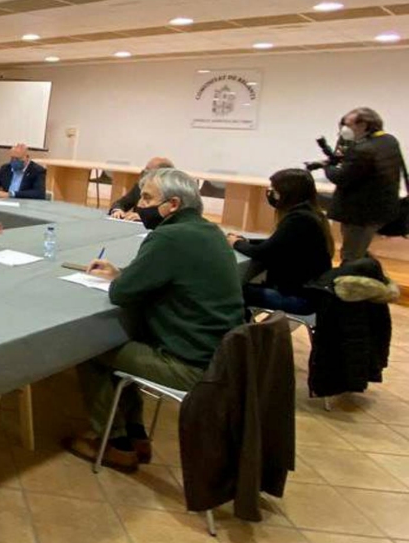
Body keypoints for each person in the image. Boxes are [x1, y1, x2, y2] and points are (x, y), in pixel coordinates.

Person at [67, 169, 245, 472]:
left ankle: (114, 442)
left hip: (190, 365)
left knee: (91, 348)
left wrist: (121, 280)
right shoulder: (210, 231)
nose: (140, 206)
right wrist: (122, 274)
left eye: (148, 199)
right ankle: (135, 433)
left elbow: (122, 293)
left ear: (173, 204)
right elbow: (163, 277)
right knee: (129, 345)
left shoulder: (168, 236)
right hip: (221, 358)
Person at [227, 169, 334, 315]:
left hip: (299, 298)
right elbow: (278, 243)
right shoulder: (310, 214)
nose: (271, 194)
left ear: (287, 193)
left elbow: (262, 253)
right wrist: (248, 241)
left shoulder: (299, 220)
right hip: (307, 293)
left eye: (274, 190)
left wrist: (236, 243)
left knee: (229, 291)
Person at [322, 107, 403, 261]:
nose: (344, 129)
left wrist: (327, 166)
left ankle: (350, 276)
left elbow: (341, 177)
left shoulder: (363, 150)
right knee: (361, 249)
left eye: (348, 124)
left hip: (360, 213)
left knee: (351, 255)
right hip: (382, 209)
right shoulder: (389, 141)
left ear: (363, 125)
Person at [109, 157, 175, 221]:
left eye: (147, 171)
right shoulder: (139, 187)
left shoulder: (171, 192)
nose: (139, 204)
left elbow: (169, 216)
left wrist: (145, 217)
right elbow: (120, 203)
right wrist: (118, 211)